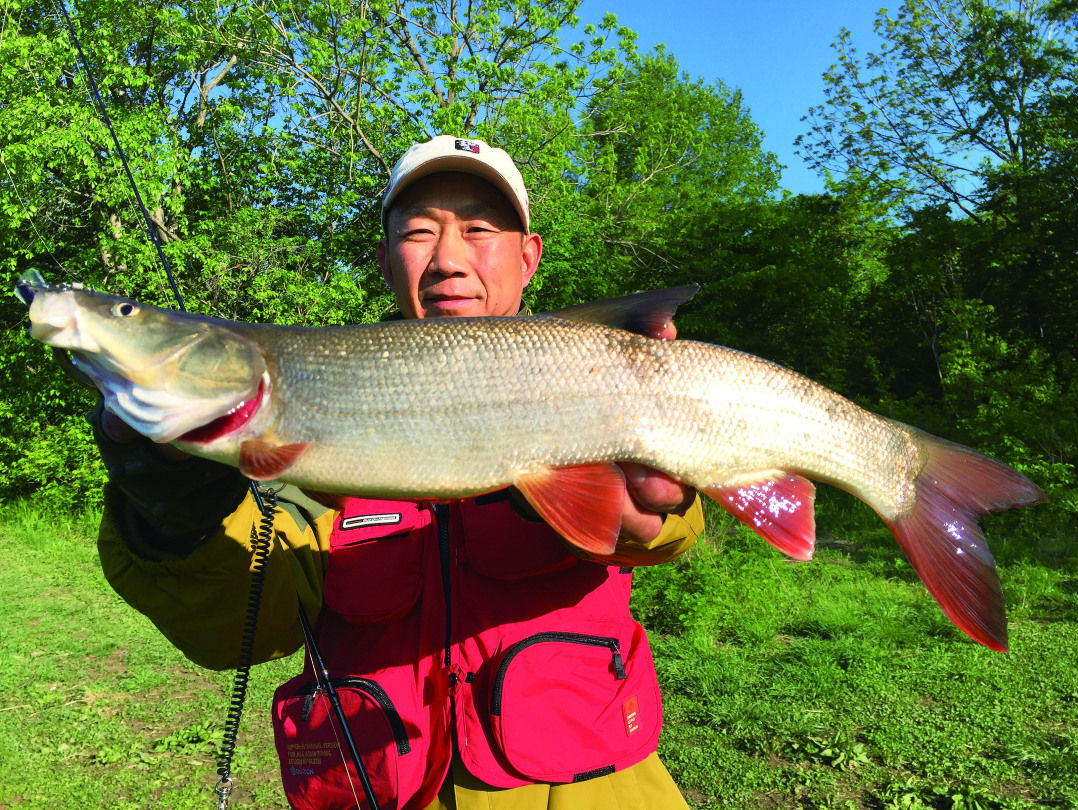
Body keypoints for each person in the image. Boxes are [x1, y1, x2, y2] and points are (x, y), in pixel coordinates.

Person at [91, 135, 705, 809]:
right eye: (418, 232)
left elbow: (667, 533)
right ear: (385, 261)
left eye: (478, 229)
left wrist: (650, 505)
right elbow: (238, 625)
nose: (448, 259)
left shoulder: (593, 371)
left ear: (529, 257)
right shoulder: (309, 427)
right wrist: (172, 495)